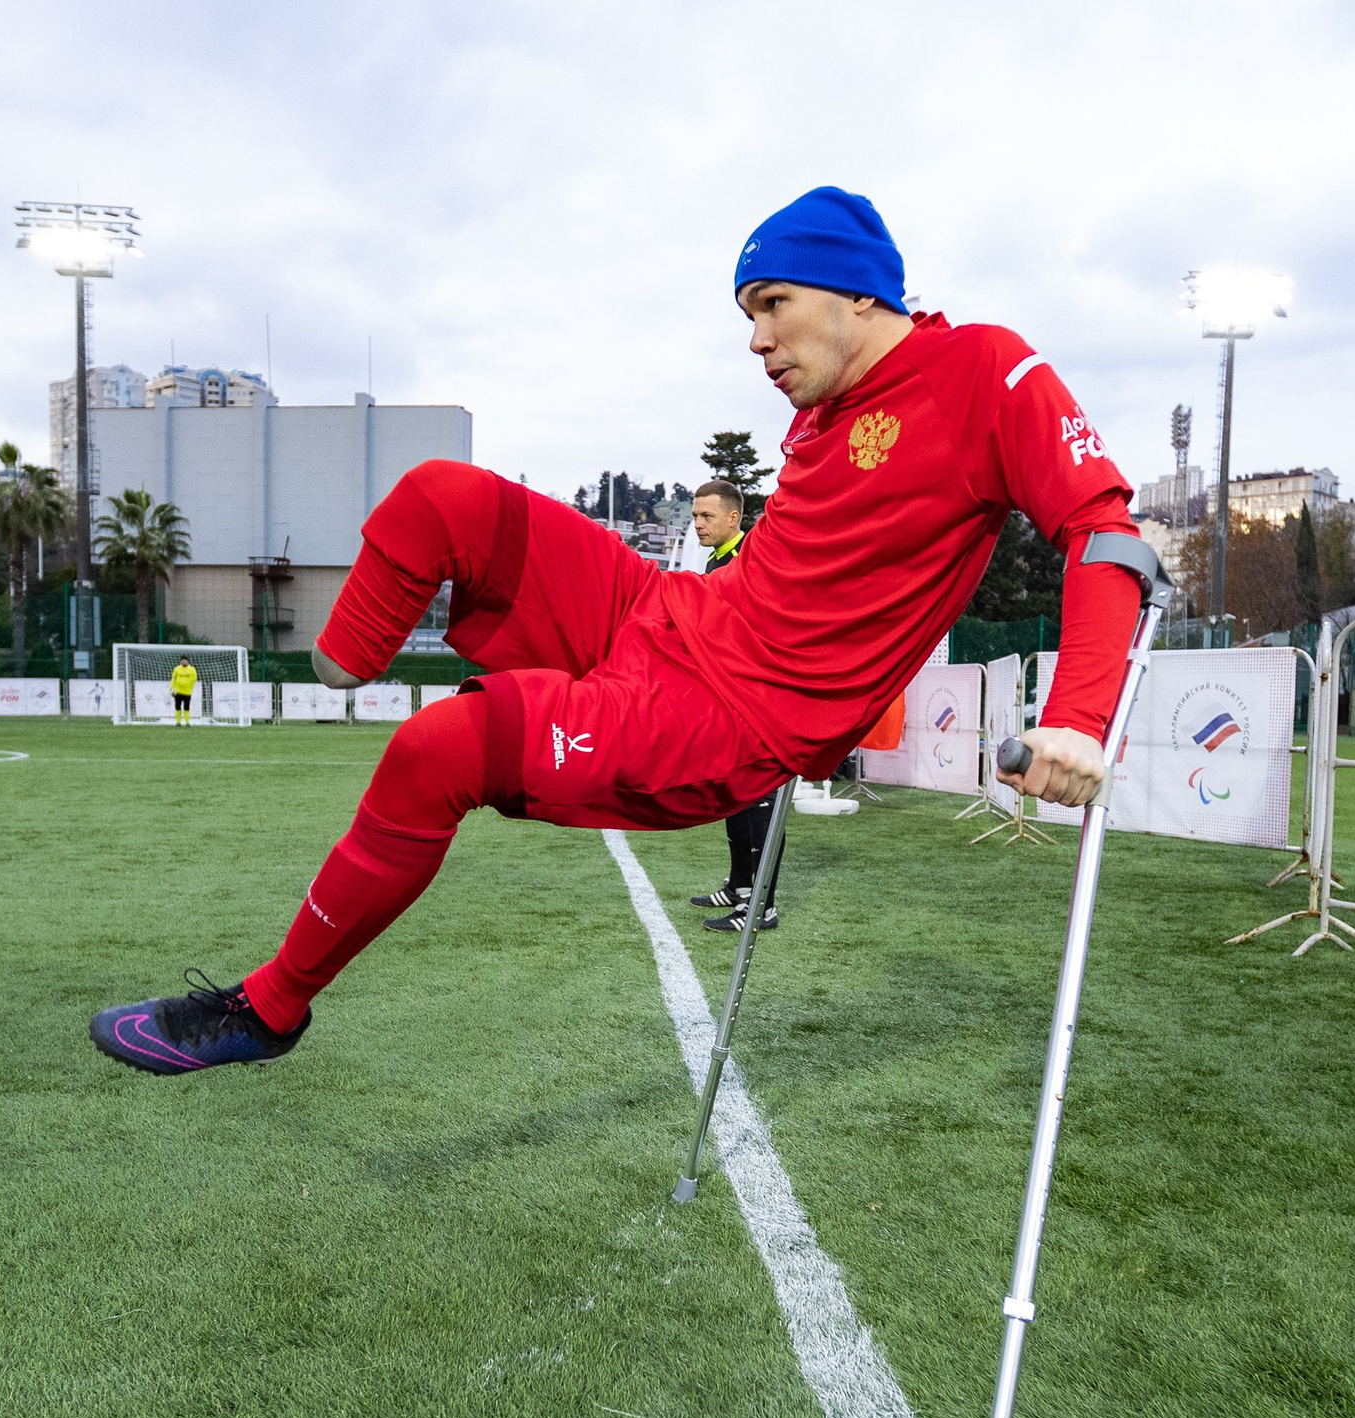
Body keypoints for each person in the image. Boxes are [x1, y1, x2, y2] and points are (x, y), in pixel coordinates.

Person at [90, 188, 1149, 1076]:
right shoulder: (817, 415)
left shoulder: (984, 373)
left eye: (773, 304)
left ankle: (266, 1010)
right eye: (748, 312)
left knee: (438, 750)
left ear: (857, 290)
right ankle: (333, 672)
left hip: (732, 714)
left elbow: (1104, 533)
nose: (756, 338)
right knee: (441, 498)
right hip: (676, 618)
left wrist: (1077, 720)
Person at [681, 479, 788, 933]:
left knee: (761, 798)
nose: (698, 524)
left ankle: (761, 906)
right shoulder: (716, 560)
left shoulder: (751, 559)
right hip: (729, 698)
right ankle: (741, 884)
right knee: (735, 794)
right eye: (695, 516)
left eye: (707, 517)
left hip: (760, 702)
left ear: (733, 518)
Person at [171, 654, 198, 727]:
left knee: (186, 707)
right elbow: (173, 678)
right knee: (177, 706)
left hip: (187, 692)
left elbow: (194, 678)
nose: (183, 662)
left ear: (187, 661)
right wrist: (172, 688)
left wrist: (186, 684)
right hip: (178, 691)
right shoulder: (176, 668)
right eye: (182, 661)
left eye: (184, 661)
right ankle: (178, 722)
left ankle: (187, 722)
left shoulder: (192, 669)